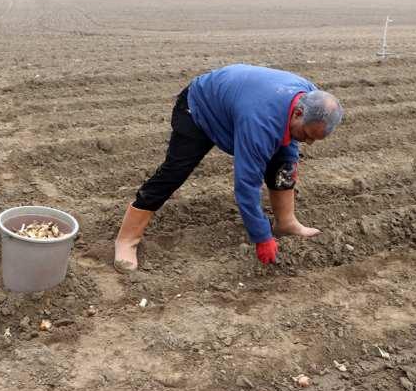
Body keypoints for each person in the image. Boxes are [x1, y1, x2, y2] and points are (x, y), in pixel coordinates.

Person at [114, 64, 343, 272]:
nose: (308, 142)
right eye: (307, 135)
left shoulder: (312, 98)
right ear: (298, 113)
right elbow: (246, 183)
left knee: (285, 164)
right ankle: (127, 239)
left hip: (242, 103)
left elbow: (288, 155)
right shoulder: (261, 122)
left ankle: (286, 223)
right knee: (175, 171)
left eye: (315, 138)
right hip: (200, 107)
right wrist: (261, 237)